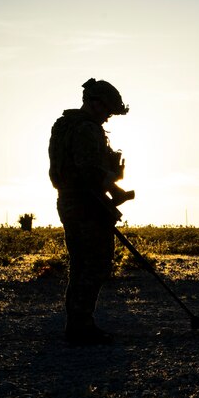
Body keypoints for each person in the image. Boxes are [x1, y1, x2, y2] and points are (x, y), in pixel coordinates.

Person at [48, 78, 134, 345]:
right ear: (95, 103)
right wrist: (112, 184)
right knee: (94, 263)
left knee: (81, 264)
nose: (109, 116)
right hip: (86, 202)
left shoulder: (66, 126)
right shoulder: (86, 129)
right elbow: (89, 172)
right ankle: (81, 326)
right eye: (108, 109)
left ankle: (78, 323)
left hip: (73, 200)